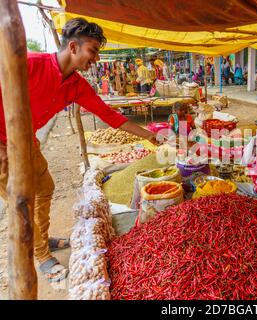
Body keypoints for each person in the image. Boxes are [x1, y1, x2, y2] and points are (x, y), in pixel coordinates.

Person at [0, 17, 158, 283]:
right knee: (20, 202)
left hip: (26, 140)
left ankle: (43, 238)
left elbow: (109, 115)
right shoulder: (27, 63)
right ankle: (41, 255)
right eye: (92, 51)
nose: (95, 59)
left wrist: (151, 137)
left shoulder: (75, 85)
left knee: (45, 188)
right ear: (73, 47)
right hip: (2, 144)